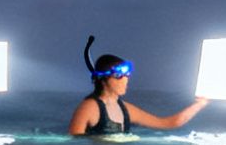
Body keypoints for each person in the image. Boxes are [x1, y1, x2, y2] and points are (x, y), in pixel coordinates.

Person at [68, 42, 208, 135]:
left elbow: (168, 123)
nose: (125, 79)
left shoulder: (125, 109)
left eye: (127, 75)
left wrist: (200, 104)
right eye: (119, 76)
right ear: (103, 79)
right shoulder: (89, 108)